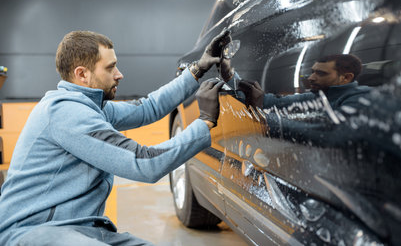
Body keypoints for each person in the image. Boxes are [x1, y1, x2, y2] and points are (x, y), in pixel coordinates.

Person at [0, 30, 231, 246]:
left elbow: (147, 108)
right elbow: (144, 163)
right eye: (110, 68)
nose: (119, 75)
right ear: (82, 74)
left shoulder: (90, 107)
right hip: (32, 231)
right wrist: (204, 121)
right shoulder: (66, 113)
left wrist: (197, 70)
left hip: (78, 228)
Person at [237, 54, 371, 111]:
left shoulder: (361, 99)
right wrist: (230, 77)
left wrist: (266, 121)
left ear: (346, 78)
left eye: (321, 73)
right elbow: (275, 102)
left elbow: (327, 132)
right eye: (313, 71)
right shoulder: (318, 96)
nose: (311, 78)